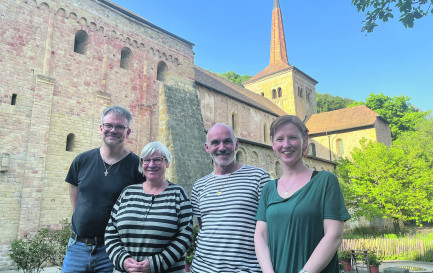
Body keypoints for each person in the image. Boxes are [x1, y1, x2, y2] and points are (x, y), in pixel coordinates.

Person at [254, 115, 351, 273]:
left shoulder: (325, 181)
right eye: (279, 139)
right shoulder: (268, 189)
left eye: (292, 137)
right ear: (273, 144)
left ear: (305, 141)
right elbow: (261, 236)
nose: (286, 144)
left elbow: (334, 235)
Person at [63, 105, 143, 273]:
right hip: (77, 247)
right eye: (108, 125)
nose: (113, 130)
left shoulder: (137, 166)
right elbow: (75, 197)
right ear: (101, 128)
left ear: (127, 132)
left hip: (112, 251)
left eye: (120, 126)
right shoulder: (82, 160)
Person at [190, 123, 271, 273]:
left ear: (236, 145)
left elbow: (269, 229)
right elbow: (204, 227)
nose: (221, 147)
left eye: (227, 141)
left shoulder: (259, 178)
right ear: (207, 148)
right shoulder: (199, 186)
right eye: (215, 142)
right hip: (201, 269)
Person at [105, 141, 193, 273]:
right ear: (141, 164)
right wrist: (122, 260)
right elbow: (111, 231)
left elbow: (185, 236)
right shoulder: (128, 192)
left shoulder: (178, 194)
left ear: (167, 163)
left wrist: (155, 264)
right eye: (146, 160)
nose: (151, 165)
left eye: (158, 160)